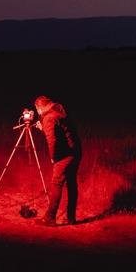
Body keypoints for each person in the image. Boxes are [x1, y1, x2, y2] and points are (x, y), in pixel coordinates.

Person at [33, 94, 82, 226]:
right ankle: (71, 218)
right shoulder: (57, 111)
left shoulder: (48, 118)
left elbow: (52, 140)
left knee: (56, 183)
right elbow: (59, 132)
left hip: (65, 154)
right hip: (75, 150)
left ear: (39, 107)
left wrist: (53, 157)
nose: (37, 112)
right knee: (71, 183)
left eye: (37, 110)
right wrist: (44, 128)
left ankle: (49, 218)